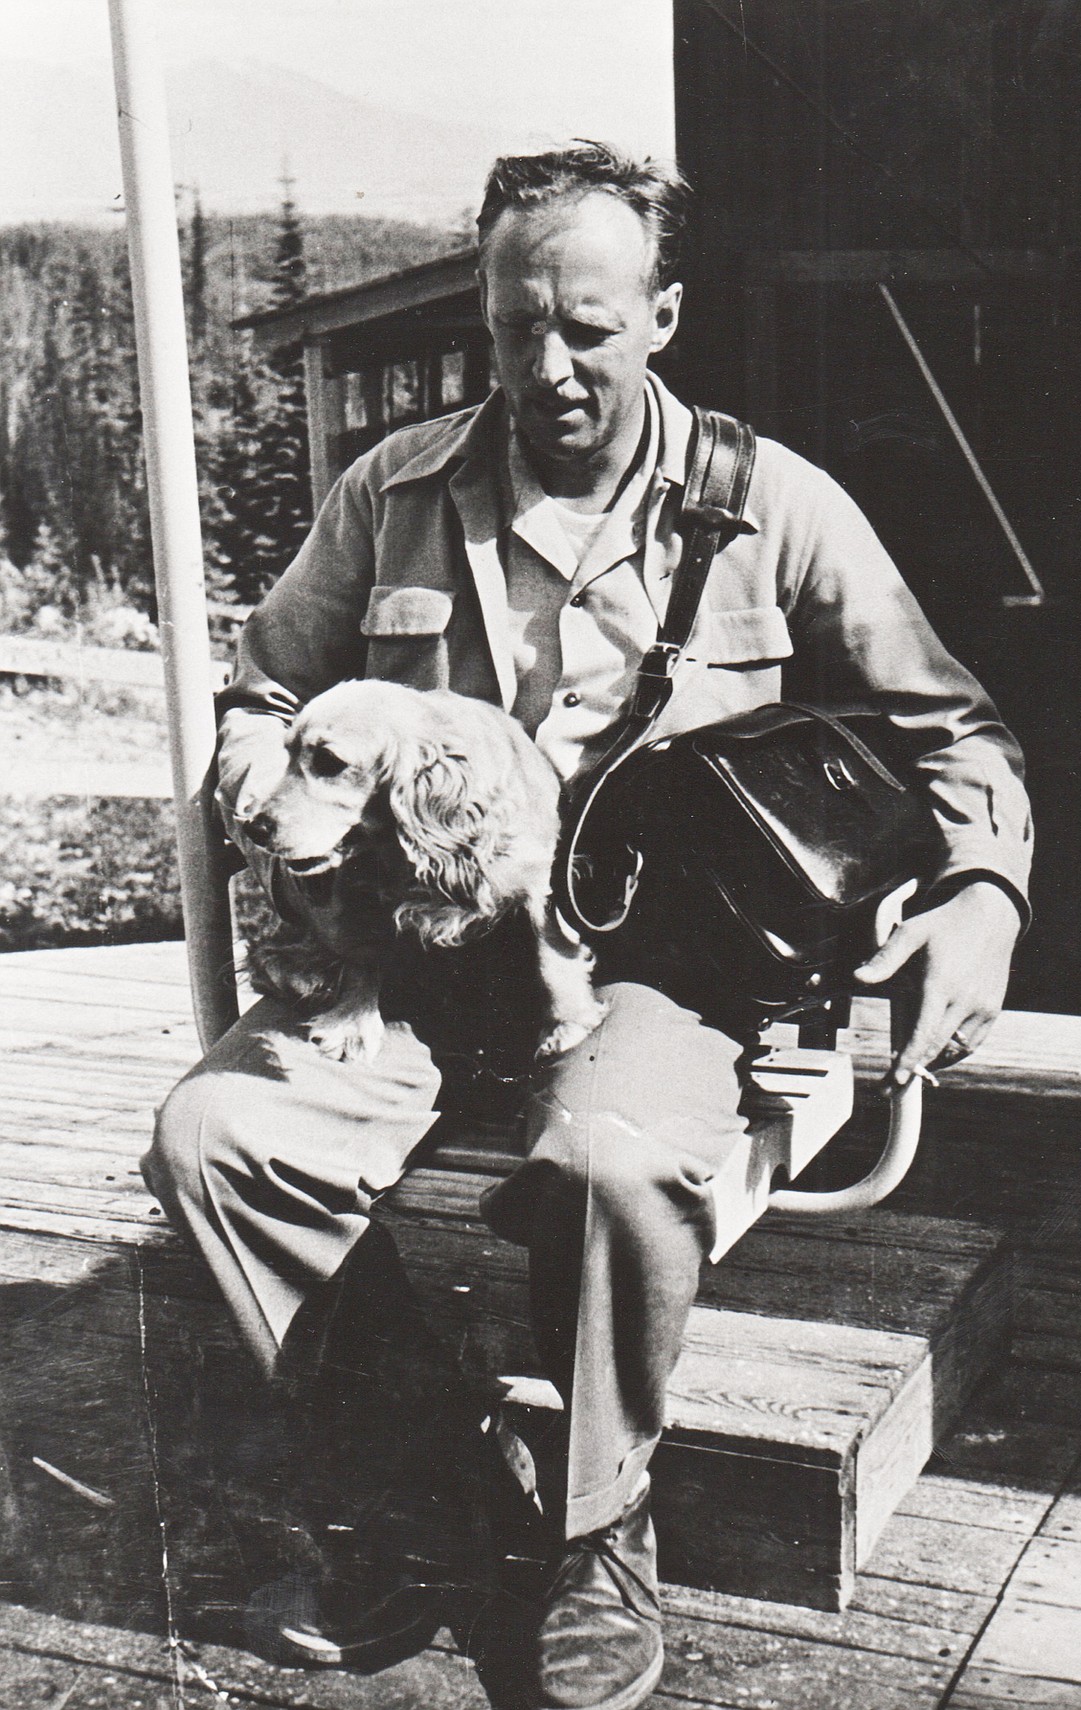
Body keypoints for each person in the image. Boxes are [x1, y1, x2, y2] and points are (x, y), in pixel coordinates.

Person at [145, 141, 1031, 1710]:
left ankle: (595, 1524)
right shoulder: (389, 492)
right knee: (216, 1132)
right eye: (510, 328)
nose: (544, 366)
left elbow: (951, 731)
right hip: (412, 951)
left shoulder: (774, 505)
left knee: (609, 1154)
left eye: (587, 327)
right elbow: (262, 694)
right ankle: (424, 1480)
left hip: (654, 968)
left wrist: (980, 892)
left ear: (662, 314)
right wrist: (274, 807)